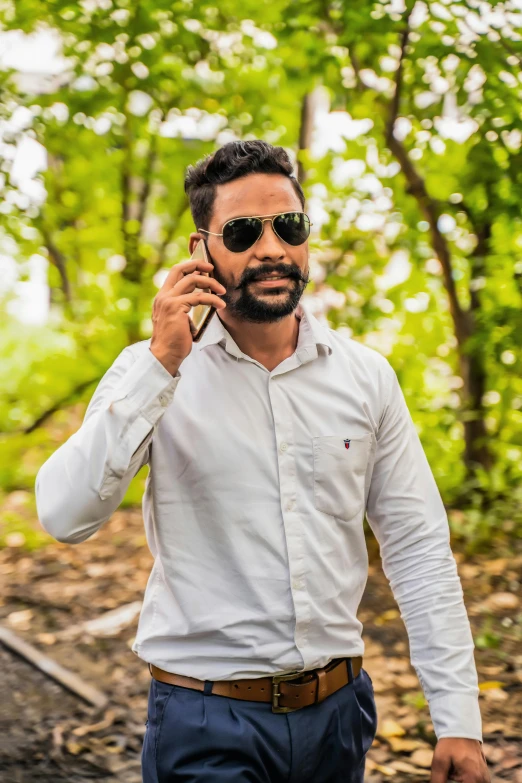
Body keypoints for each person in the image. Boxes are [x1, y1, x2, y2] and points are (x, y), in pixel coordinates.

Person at [35, 140, 489, 783]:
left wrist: (458, 719)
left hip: (340, 718)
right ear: (203, 251)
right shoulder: (152, 371)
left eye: (290, 226)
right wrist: (161, 365)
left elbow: (417, 546)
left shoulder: (365, 377)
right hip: (205, 720)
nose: (272, 248)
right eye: (245, 231)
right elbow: (62, 514)